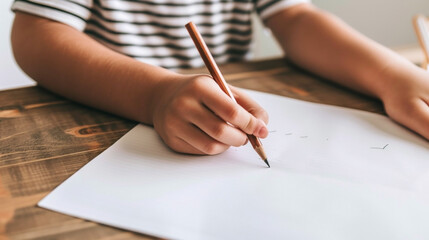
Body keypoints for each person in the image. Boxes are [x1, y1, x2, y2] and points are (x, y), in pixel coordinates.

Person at [11, 0, 429, 155]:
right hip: (95, 126)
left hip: (225, 115)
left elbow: (296, 16)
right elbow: (37, 35)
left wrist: (392, 75)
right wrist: (154, 95)